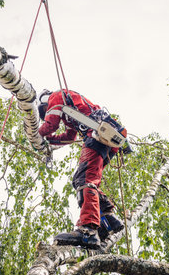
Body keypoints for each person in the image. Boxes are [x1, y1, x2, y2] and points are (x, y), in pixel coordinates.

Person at [37, 89, 125, 249]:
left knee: (84, 180)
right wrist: (50, 140)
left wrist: (37, 133)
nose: (47, 111)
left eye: (45, 110)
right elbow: (70, 137)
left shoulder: (56, 96)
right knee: (87, 179)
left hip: (98, 134)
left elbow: (51, 124)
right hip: (106, 139)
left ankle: (88, 230)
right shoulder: (70, 110)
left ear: (44, 101)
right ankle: (108, 219)